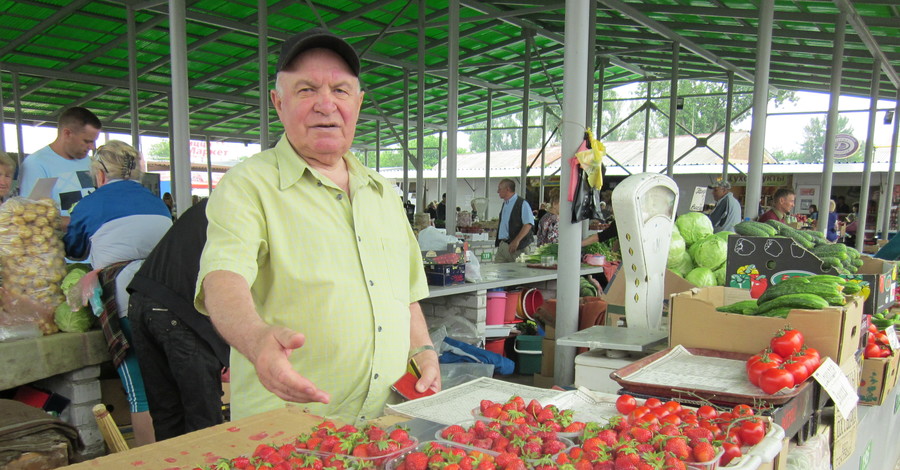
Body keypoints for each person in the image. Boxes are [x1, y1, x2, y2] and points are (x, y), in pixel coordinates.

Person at [194, 28, 440, 424]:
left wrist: (423, 350)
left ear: (358, 104)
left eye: (341, 91)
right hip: (290, 430)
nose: (326, 104)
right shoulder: (249, 184)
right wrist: (258, 341)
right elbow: (222, 279)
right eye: (306, 90)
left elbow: (406, 293)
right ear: (278, 103)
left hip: (384, 424)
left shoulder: (382, 192)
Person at [63, 140, 173, 446]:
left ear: (99, 173)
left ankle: (149, 464)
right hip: (168, 296)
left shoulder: (90, 204)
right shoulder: (156, 202)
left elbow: (73, 249)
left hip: (125, 299)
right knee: (170, 381)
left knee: (140, 392)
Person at [127, 199, 229, 441]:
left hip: (142, 299)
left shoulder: (215, 202)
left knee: (167, 413)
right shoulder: (247, 207)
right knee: (204, 422)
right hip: (181, 313)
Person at [19, 107, 101, 218]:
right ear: (67, 133)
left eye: (94, 141)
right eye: (87, 141)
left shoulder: (88, 161)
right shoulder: (37, 164)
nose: (92, 147)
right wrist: (79, 225)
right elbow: (33, 215)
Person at [494, 178, 534, 262]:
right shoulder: (505, 203)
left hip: (518, 247)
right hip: (503, 245)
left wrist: (517, 240)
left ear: (507, 189)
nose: (498, 191)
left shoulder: (522, 203)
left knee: (519, 274)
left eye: (500, 189)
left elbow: (528, 224)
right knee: (498, 272)